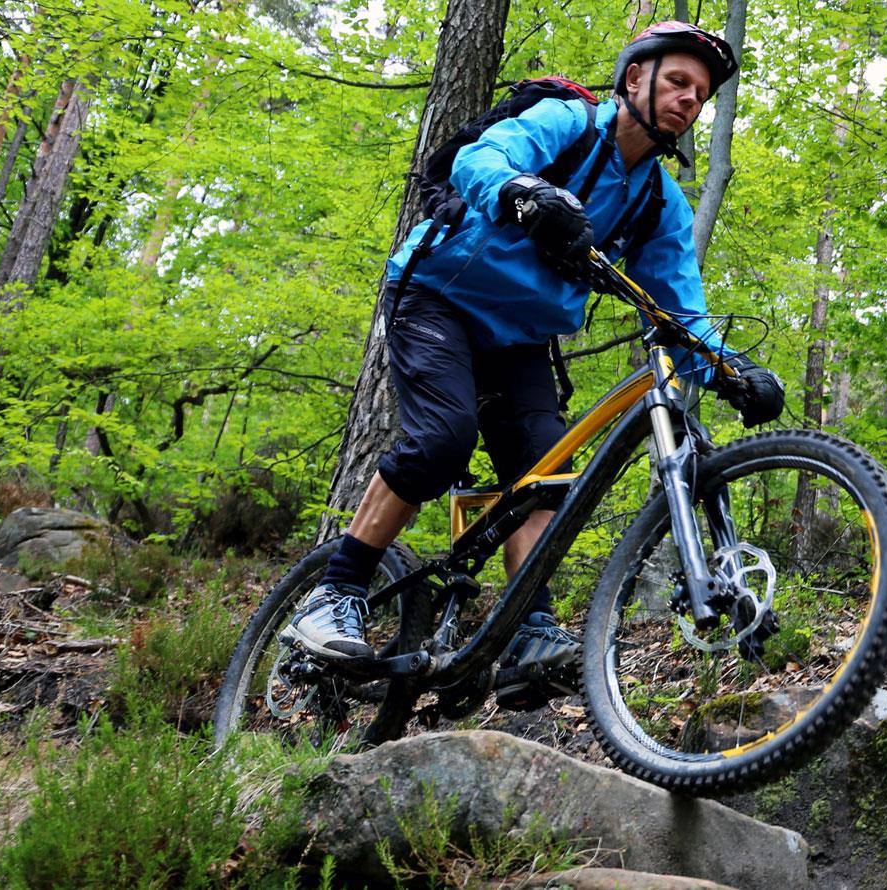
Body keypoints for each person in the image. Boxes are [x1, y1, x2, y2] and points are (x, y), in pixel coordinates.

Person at [281, 21, 785, 706]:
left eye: (701, 95)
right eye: (677, 82)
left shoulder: (658, 202)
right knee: (441, 439)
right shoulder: (565, 122)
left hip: (519, 338)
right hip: (437, 298)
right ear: (634, 78)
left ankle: (527, 631)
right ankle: (333, 593)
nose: (690, 101)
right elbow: (479, 161)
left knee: (550, 475)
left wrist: (731, 370)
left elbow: (680, 313)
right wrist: (527, 195)